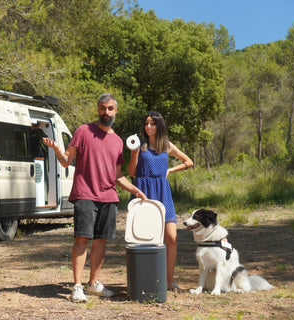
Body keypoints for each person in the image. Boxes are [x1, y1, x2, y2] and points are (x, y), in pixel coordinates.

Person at [43, 93, 147, 302]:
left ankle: (93, 284)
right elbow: (66, 161)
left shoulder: (118, 141)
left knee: (101, 240)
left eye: (110, 108)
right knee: (83, 238)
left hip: (108, 196)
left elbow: (118, 175)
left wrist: (134, 190)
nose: (106, 112)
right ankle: (77, 286)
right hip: (85, 193)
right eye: (102, 108)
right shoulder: (83, 131)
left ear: (115, 111)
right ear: (98, 109)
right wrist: (55, 148)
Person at [128, 111, 193, 293]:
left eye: (152, 123)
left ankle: (169, 280)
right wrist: (133, 154)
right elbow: (132, 173)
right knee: (144, 239)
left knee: (171, 237)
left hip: (163, 191)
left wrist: (171, 170)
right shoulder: (140, 146)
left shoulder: (167, 146)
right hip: (143, 191)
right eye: (146, 123)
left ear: (159, 126)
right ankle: (144, 279)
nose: (148, 127)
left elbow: (189, 161)